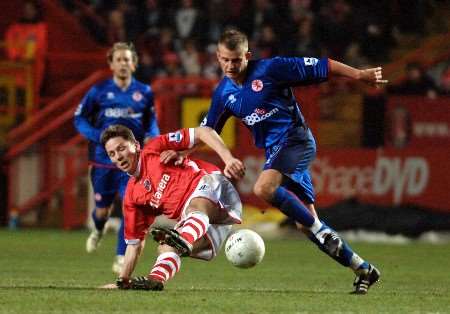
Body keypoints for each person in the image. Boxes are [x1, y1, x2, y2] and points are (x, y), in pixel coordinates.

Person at [201, 28, 388, 295]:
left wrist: (359, 74)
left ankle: (321, 231)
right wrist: (182, 151)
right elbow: (207, 130)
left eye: (237, 60)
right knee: (306, 225)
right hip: (277, 152)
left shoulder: (272, 69)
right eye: (225, 60)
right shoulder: (223, 93)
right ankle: (364, 269)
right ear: (218, 57)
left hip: (295, 141)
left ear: (248, 56)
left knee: (263, 188)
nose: (231, 66)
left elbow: (323, 65)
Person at [99, 124, 245, 290]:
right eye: (112, 154)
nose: (118, 156)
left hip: (215, 188)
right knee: (167, 248)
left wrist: (228, 159)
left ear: (136, 145)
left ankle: (185, 239)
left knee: (193, 210)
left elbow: (203, 132)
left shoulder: (154, 147)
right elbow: (134, 244)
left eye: (122, 148)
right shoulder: (132, 197)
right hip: (209, 224)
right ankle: (155, 279)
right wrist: (123, 281)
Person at [73, 42, 160, 274]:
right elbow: (79, 119)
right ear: (111, 64)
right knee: (102, 210)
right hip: (103, 161)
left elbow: (151, 121)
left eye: (127, 59)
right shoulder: (98, 91)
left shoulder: (145, 92)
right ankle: (99, 228)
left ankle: (121, 256)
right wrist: (97, 136)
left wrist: (154, 135)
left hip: (131, 162)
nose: (123, 63)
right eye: (118, 59)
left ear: (134, 64)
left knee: (130, 205)